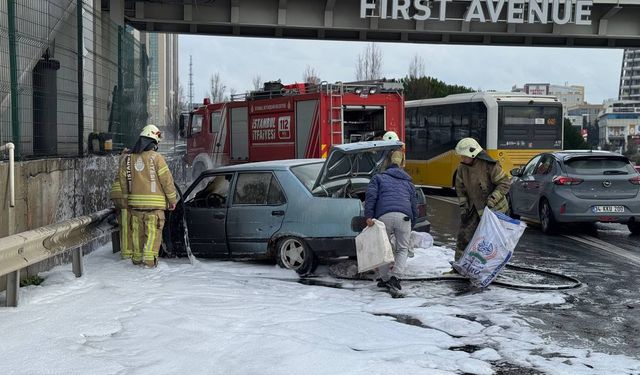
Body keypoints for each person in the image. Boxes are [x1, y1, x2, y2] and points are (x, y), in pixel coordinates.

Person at [119, 124, 178, 268]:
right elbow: (167, 181)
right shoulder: (157, 158)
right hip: (154, 209)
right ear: (153, 142)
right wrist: (172, 200)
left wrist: (127, 199)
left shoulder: (128, 159)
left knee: (137, 236)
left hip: (135, 207)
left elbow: (123, 180)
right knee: (152, 235)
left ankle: (137, 262)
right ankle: (149, 264)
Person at [364, 150, 418, 296]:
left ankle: (384, 278)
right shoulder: (409, 182)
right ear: (402, 164)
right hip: (404, 217)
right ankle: (395, 277)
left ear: (387, 163)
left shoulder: (378, 178)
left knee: (383, 249)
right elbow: (414, 205)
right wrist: (412, 223)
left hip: (384, 217)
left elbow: (370, 198)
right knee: (402, 249)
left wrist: (368, 216)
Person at [452, 137, 511, 268]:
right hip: (474, 207)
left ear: (473, 153)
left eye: (464, 156)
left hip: (495, 210)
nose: (462, 159)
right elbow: (461, 190)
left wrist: (492, 199)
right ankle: (459, 266)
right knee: (464, 237)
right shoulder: (462, 168)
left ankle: (490, 268)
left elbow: (504, 183)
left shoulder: (490, 166)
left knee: (491, 242)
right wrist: (464, 208)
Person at [109, 149, 132, 260]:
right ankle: (127, 253)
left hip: (115, 193)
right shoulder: (132, 159)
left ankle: (125, 249)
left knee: (123, 223)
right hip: (123, 194)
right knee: (127, 224)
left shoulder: (123, 159)